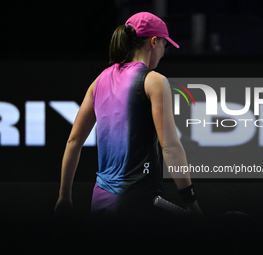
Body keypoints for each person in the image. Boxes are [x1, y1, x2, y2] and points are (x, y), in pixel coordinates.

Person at [54, 12, 203, 220]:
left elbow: (73, 141)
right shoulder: (155, 81)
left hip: (99, 201)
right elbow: (170, 147)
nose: (162, 53)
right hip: (136, 204)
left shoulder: (99, 81)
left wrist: (64, 197)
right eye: (164, 45)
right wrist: (191, 202)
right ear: (153, 42)